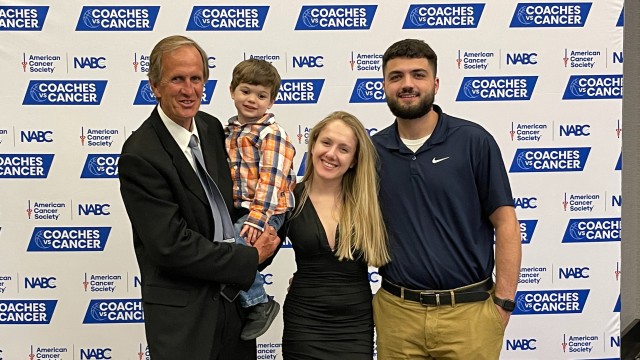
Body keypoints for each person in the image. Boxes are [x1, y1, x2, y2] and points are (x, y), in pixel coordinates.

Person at [118, 35, 280, 360]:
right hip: (185, 322)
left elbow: (231, 206)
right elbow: (171, 246)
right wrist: (249, 258)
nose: (189, 90)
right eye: (177, 79)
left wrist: (262, 232)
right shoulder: (141, 154)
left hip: (235, 310)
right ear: (155, 86)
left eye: (196, 78)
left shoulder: (210, 127)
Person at [371, 39, 522, 359]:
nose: (407, 84)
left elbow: (506, 222)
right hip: (397, 314)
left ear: (435, 84)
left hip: (469, 316)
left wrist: (504, 304)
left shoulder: (473, 141)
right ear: (384, 85)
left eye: (418, 75)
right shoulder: (372, 151)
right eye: (396, 76)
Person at [280, 111, 390, 360]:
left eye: (344, 149)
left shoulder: (368, 203)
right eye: (326, 142)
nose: (331, 154)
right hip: (304, 324)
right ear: (314, 143)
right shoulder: (289, 198)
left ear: (353, 160)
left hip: (355, 327)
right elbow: (260, 254)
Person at [225, 58, 296, 340]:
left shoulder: (272, 134)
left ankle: (259, 303)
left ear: (271, 101)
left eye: (261, 95)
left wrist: (257, 219)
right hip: (240, 209)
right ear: (232, 91)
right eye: (245, 91)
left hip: (269, 211)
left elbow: (271, 180)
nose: (252, 99)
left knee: (235, 248)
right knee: (224, 246)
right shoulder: (229, 131)